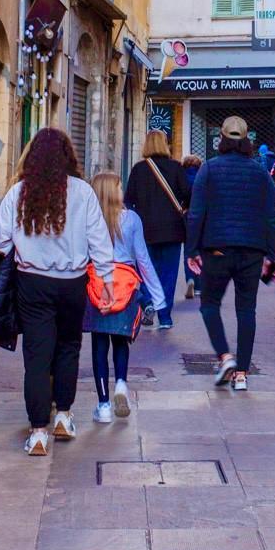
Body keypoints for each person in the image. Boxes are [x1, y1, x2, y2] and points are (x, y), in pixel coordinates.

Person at [0, 128, 114, 456]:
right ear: (67, 157)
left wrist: (26, 243)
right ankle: (63, 414)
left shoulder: (19, 193)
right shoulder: (83, 192)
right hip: (72, 282)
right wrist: (108, 281)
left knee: (36, 354)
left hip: (32, 283)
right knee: (69, 347)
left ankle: (38, 432)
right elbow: (98, 240)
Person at [186, 115, 275, 393]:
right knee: (246, 309)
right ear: (247, 141)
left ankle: (225, 356)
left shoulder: (209, 169)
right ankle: (242, 375)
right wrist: (271, 255)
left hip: (216, 248)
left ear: (222, 140)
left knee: (210, 304)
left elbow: (196, 213)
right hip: (251, 251)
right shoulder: (261, 172)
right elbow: (270, 217)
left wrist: (191, 249)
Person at [86, 172, 166, 423]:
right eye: (119, 187)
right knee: (121, 341)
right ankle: (121, 383)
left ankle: (104, 405)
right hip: (126, 284)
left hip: (97, 284)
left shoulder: (89, 219)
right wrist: (158, 296)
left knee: (99, 345)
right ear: (112, 191)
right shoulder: (131, 219)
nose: (123, 192)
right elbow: (143, 259)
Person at [124, 130, 192, 328]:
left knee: (145, 270)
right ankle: (165, 317)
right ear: (165, 144)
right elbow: (188, 193)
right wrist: (183, 208)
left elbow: (128, 200)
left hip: (145, 231)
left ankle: (147, 302)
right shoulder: (176, 167)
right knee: (168, 274)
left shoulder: (138, 170)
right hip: (173, 230)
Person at [180, 154, 203, 298]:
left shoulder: (181, 178)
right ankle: (199, 285)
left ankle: (189, 278)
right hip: (200, 217)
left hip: (186, 216)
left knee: (188, 249)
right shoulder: (202, 178)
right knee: (199, 249)